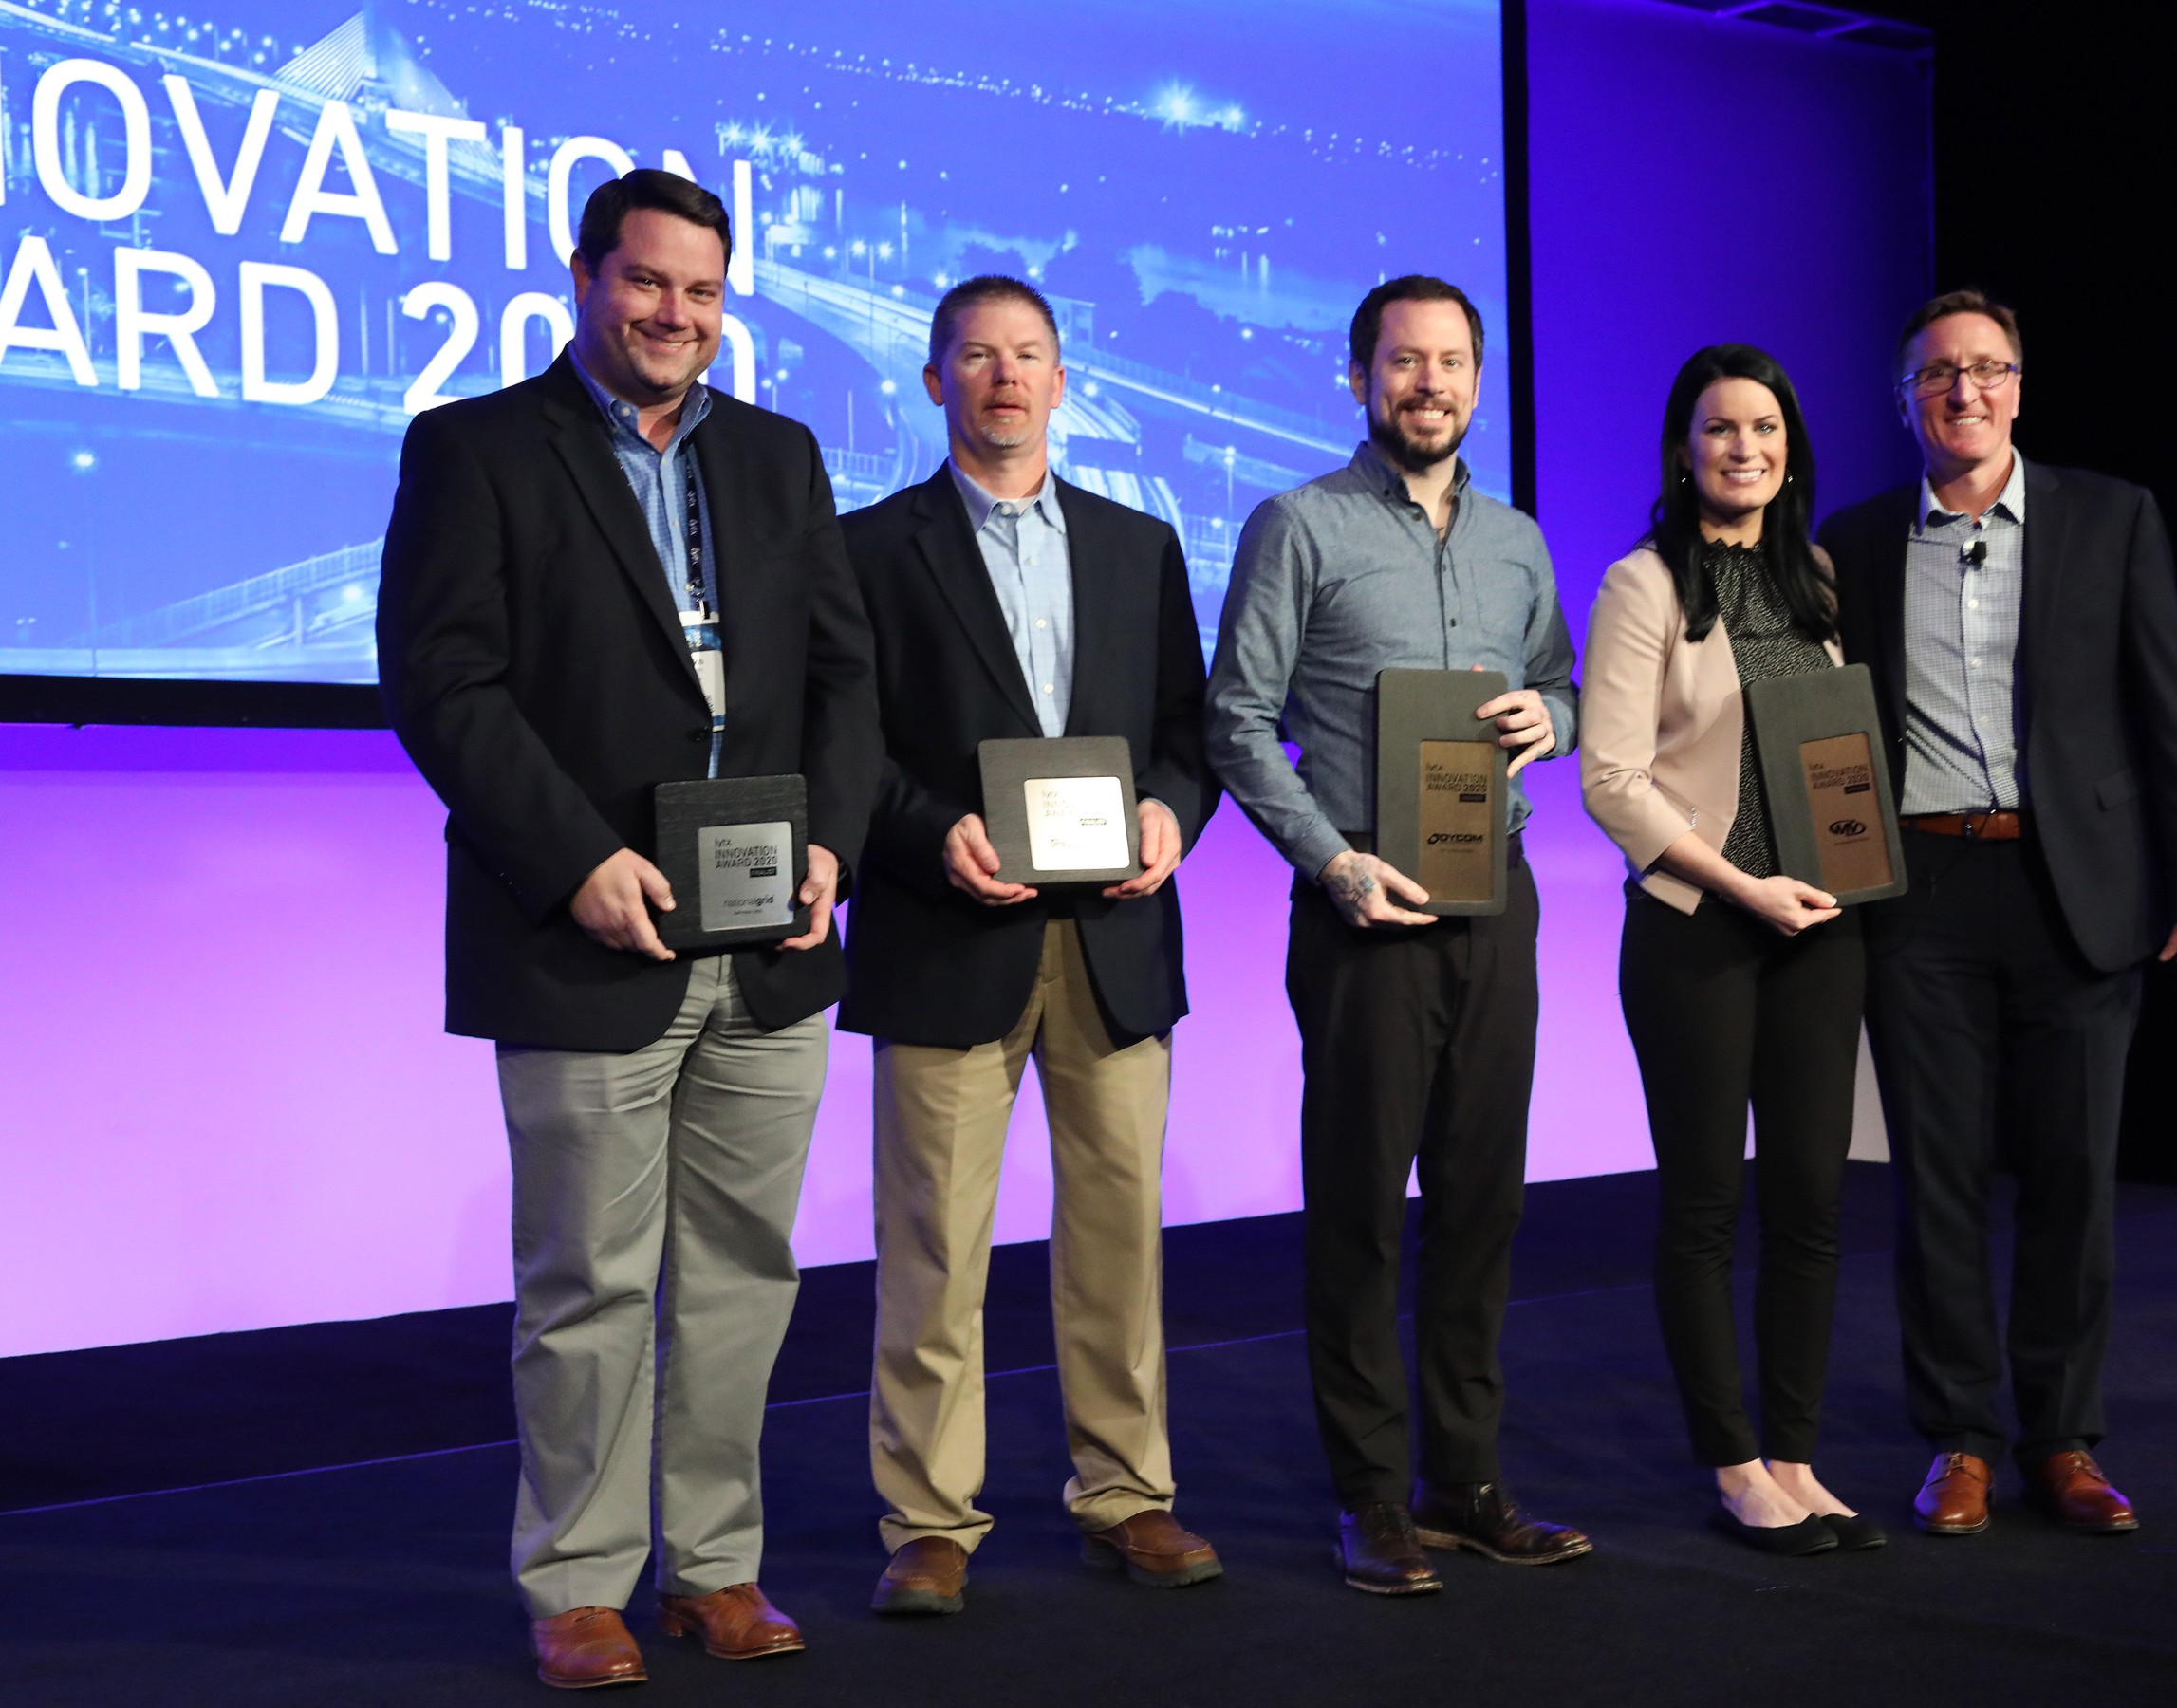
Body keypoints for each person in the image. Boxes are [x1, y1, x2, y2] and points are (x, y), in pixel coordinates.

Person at [377, 169, 879, 1688]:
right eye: (648, 284)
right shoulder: (473, 450)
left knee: (743, 1270)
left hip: (769, 942)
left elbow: (848, 679)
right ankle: (579, 1583)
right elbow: (443, 684)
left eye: (704, 294)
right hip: (585, 930)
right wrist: (574, 854)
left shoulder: (782, 457)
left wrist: (836, 846)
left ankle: (715, 1565)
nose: (676, 317)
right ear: (586, 277)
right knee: (587, 1283)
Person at [1815, 289, 2177, 1537]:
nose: (1966, 391)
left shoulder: (2110, 517)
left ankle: (2063, 1439)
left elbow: (2173, 708)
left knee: (2071, 1178)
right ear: (1907, 403)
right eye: (1940, 375)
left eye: (1988, 370)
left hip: (2080, 890)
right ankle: (1959, 1439)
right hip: (1925, 895)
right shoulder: (1856, 537)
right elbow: (1834, 735)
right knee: (1937, 1182)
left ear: (2019, 388)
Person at [837, 276, 1223, 1616]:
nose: (1006, 378)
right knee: (935, 1246)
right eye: (977, 358)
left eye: (1030, 357)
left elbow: (1191, 733)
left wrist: (1172, 815)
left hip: (1114, 938)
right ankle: (929, 1520)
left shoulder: (1139, 547)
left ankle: (1128, 1495)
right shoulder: (870, 549)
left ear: (1063, 382)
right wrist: (930, 830)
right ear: (935, 380)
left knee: (1119, 1235)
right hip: (950, 931)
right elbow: (846, 753)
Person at [1206, 274, 1589, 1596]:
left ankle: (1467, 1483)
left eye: (1451, 363)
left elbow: (1561, 681)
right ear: (1360, 375)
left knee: (1482, 1207)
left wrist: (1559, 715)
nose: (1429, 383)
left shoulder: (1520, 542)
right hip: (1365, 912)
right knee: (1363, 1214)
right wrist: (1331, 861)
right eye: (1403, 362)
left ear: (1477, 381)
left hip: (1499, 900)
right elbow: (1238, 721)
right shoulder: (1296, 526)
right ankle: (1372, 1498)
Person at [1580, 345, 1882, 1557]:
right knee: (1706, 1207)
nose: (1743, 449)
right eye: (1719, 430)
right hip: (1698, 929)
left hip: (1819, 930)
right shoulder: (1643, 583)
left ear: (1790, 448)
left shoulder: (1818, 579)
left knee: (1812, 1199)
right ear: (1684, 449)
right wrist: (1742, 884)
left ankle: (1799, 1456)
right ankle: (1735, 1464)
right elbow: (1610, 780)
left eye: (1764, 428)